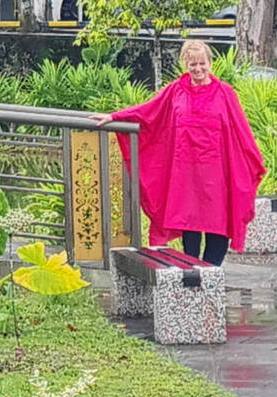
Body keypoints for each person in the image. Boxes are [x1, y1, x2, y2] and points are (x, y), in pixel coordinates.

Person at [88, 39, 265, 265]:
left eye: (202, 63)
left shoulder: (225, 93)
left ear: (210, 63)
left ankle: (210, 276)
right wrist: (115, 117)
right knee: (190, 225)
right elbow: (148, 112)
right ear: (185, 65)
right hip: (186, 172)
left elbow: (241, 131)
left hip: (217, 173)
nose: (198, 69)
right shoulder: (175, 91)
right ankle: (190, 275)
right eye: (193, 64)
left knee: (218, 226)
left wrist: (250, 163)